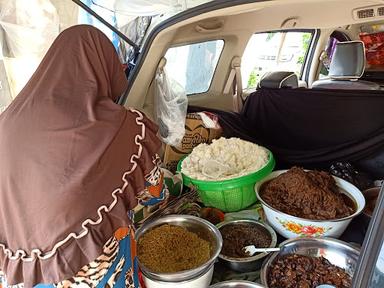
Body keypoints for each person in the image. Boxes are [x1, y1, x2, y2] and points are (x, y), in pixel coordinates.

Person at [0, 25, 168, 287]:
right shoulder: (127, 127)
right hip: (92, 271)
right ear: (107, 68)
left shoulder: (6, 123)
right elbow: (154, 193)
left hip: (22, 273)